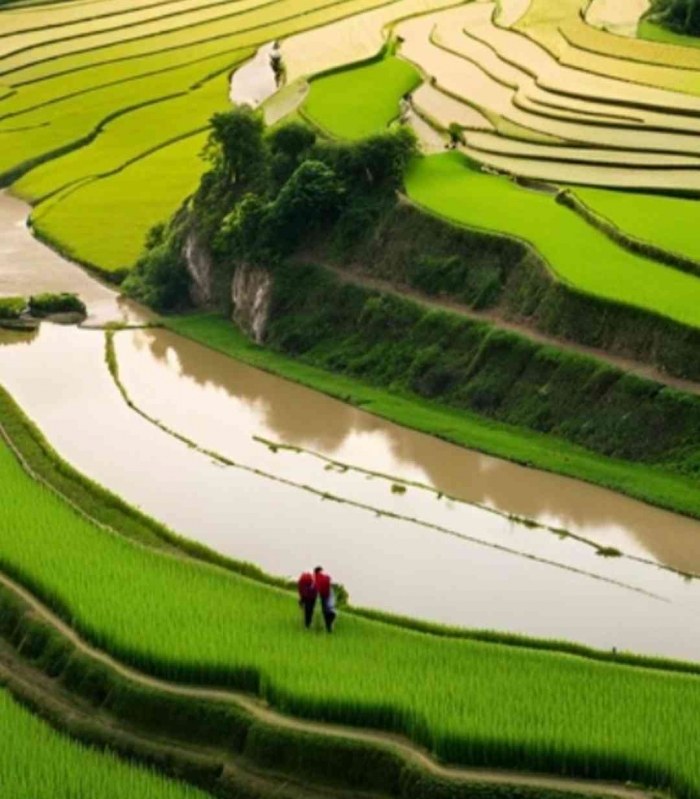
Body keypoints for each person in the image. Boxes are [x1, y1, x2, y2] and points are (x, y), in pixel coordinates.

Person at [314, 566, 336, 633]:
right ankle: (329, 624)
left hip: (322, 595)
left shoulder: (315, 577)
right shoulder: (324, 577)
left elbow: (315, 588)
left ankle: (328, 626)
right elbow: (329, 578)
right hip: (329, 592)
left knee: (325, 611)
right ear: (320, 570)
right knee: (330, 609)